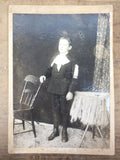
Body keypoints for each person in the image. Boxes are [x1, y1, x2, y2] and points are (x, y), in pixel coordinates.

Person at [40, 37, 79, 142]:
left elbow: (75, 78)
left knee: (64, 111)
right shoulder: (55, 58)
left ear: (69, 47)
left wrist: (70, 91)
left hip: (65, 91)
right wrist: (44, 76)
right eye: (60, 44)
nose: (61, 46)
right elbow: (49, 70)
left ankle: (64, 131)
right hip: (53, 88)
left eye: (64, 45)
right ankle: (55, 130)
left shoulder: (72, 61)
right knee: (55, 110)